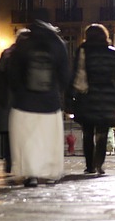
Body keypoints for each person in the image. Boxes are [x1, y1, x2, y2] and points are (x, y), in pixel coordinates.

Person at [5, 17, 71, 187]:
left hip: (24, 102)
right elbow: (64, 76)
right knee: (46, 139)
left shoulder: (24, 43)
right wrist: (57, 92)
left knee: (28, 140)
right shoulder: (58, 44)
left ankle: (31, 175)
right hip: (49, 103)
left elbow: (12, 72)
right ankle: (48, 171)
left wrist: (18, 92)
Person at [69, 23, 115, 175]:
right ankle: (99, 164)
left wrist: (70, 96)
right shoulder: (112, 53)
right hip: (107, 97)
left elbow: (75, 74)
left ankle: (89, 166)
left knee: (87, 133)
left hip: (87, 97)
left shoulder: (82, 50)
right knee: (102, 133)